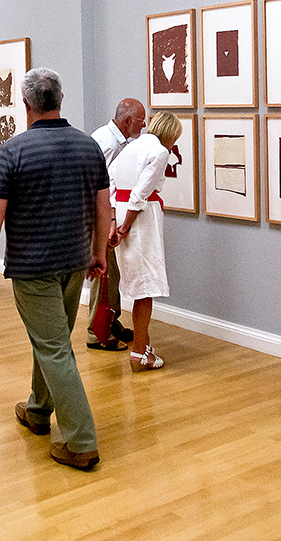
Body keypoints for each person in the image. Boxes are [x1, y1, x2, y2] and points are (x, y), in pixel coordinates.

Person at [0, 68, 110, 471]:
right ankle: (37, 410)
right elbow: (104, 207)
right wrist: (98, 251)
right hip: (75, 261)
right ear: (61, 100)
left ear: (26, 104)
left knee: (53, 347)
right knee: (52, 340)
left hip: (34, 268)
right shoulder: (89, 147)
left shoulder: (14, 150)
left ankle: (81, 441)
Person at [111, 111, 182, 372]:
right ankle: (139, 353)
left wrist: (112, 221)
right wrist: (126, 225)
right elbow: (141, 193)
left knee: (134, 281)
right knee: (145, 285)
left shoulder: (132, 147)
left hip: (120, 209)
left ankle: (143, 346)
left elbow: (110, 181)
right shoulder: (159, 151)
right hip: (140, 217)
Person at [87, 98, 145, 351]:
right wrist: (108, 222)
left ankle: (111, 322)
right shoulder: (109, 144)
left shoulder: (113, 139)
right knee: (104, 275)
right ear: (128, 120)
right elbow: (102, 187)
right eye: (141, 122)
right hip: (100, 217)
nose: (143, 128)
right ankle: (96, 333)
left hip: (107, 216)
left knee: (113, 273)